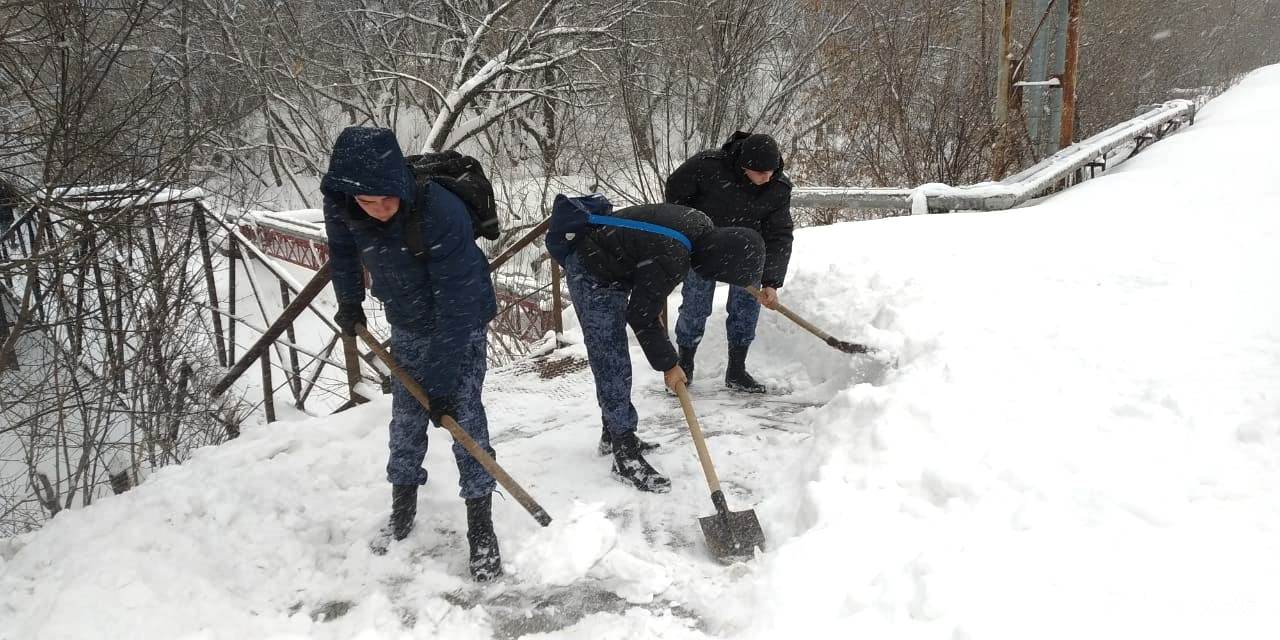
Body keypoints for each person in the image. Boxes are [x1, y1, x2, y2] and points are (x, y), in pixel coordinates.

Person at [320, 127, 502, 581]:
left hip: (460, 319)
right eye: (369, 203)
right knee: (405, 419)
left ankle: (482, 530)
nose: (380, 212)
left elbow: (457, 308)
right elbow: (343, 254)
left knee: (462, 419)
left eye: (387, 200)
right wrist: (349, 303)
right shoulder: (342, 202)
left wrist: (438, 385)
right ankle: (402, 511)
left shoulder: (440, 210)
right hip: (405, 318)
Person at [553, 197, 765, 493]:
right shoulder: (673, 253)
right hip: (592, 271)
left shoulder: (700, 225)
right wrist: (669, 365)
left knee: (613, 356)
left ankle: (612, 433)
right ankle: (624, 453)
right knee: (611, 356)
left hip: (611, 257)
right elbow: (641, 315)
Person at [665, 131, 794, 393]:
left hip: (748, 252)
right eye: (760, 173)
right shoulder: (707, 166)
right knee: (695, 306)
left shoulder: (777, 188)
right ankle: (685, 364)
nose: (766, 178)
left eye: (771, 171)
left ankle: (737, 370)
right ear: (744, 165)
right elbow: (675, 195)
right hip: (703, 246)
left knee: (746, 308)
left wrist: (771, 281)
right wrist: (689, 232)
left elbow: (779, 235)